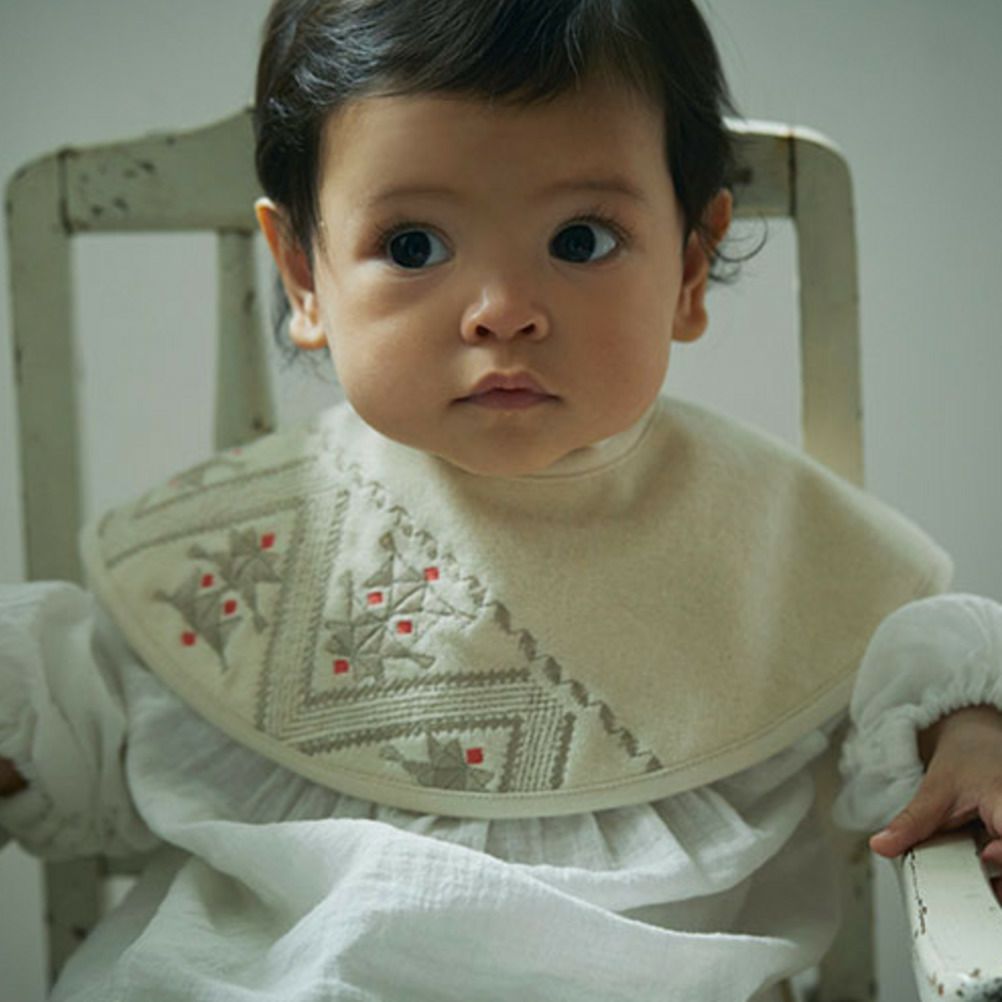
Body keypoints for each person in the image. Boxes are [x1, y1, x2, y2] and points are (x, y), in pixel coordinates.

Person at [3, 1, 1002, 999]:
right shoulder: (259, 536)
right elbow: (92, 740)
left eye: (580, 239)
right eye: (412, 246)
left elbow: (896, 704)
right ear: (304, 276)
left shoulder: (766, 534)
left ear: (690, 268)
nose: (503, 311)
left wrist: (964, 734)